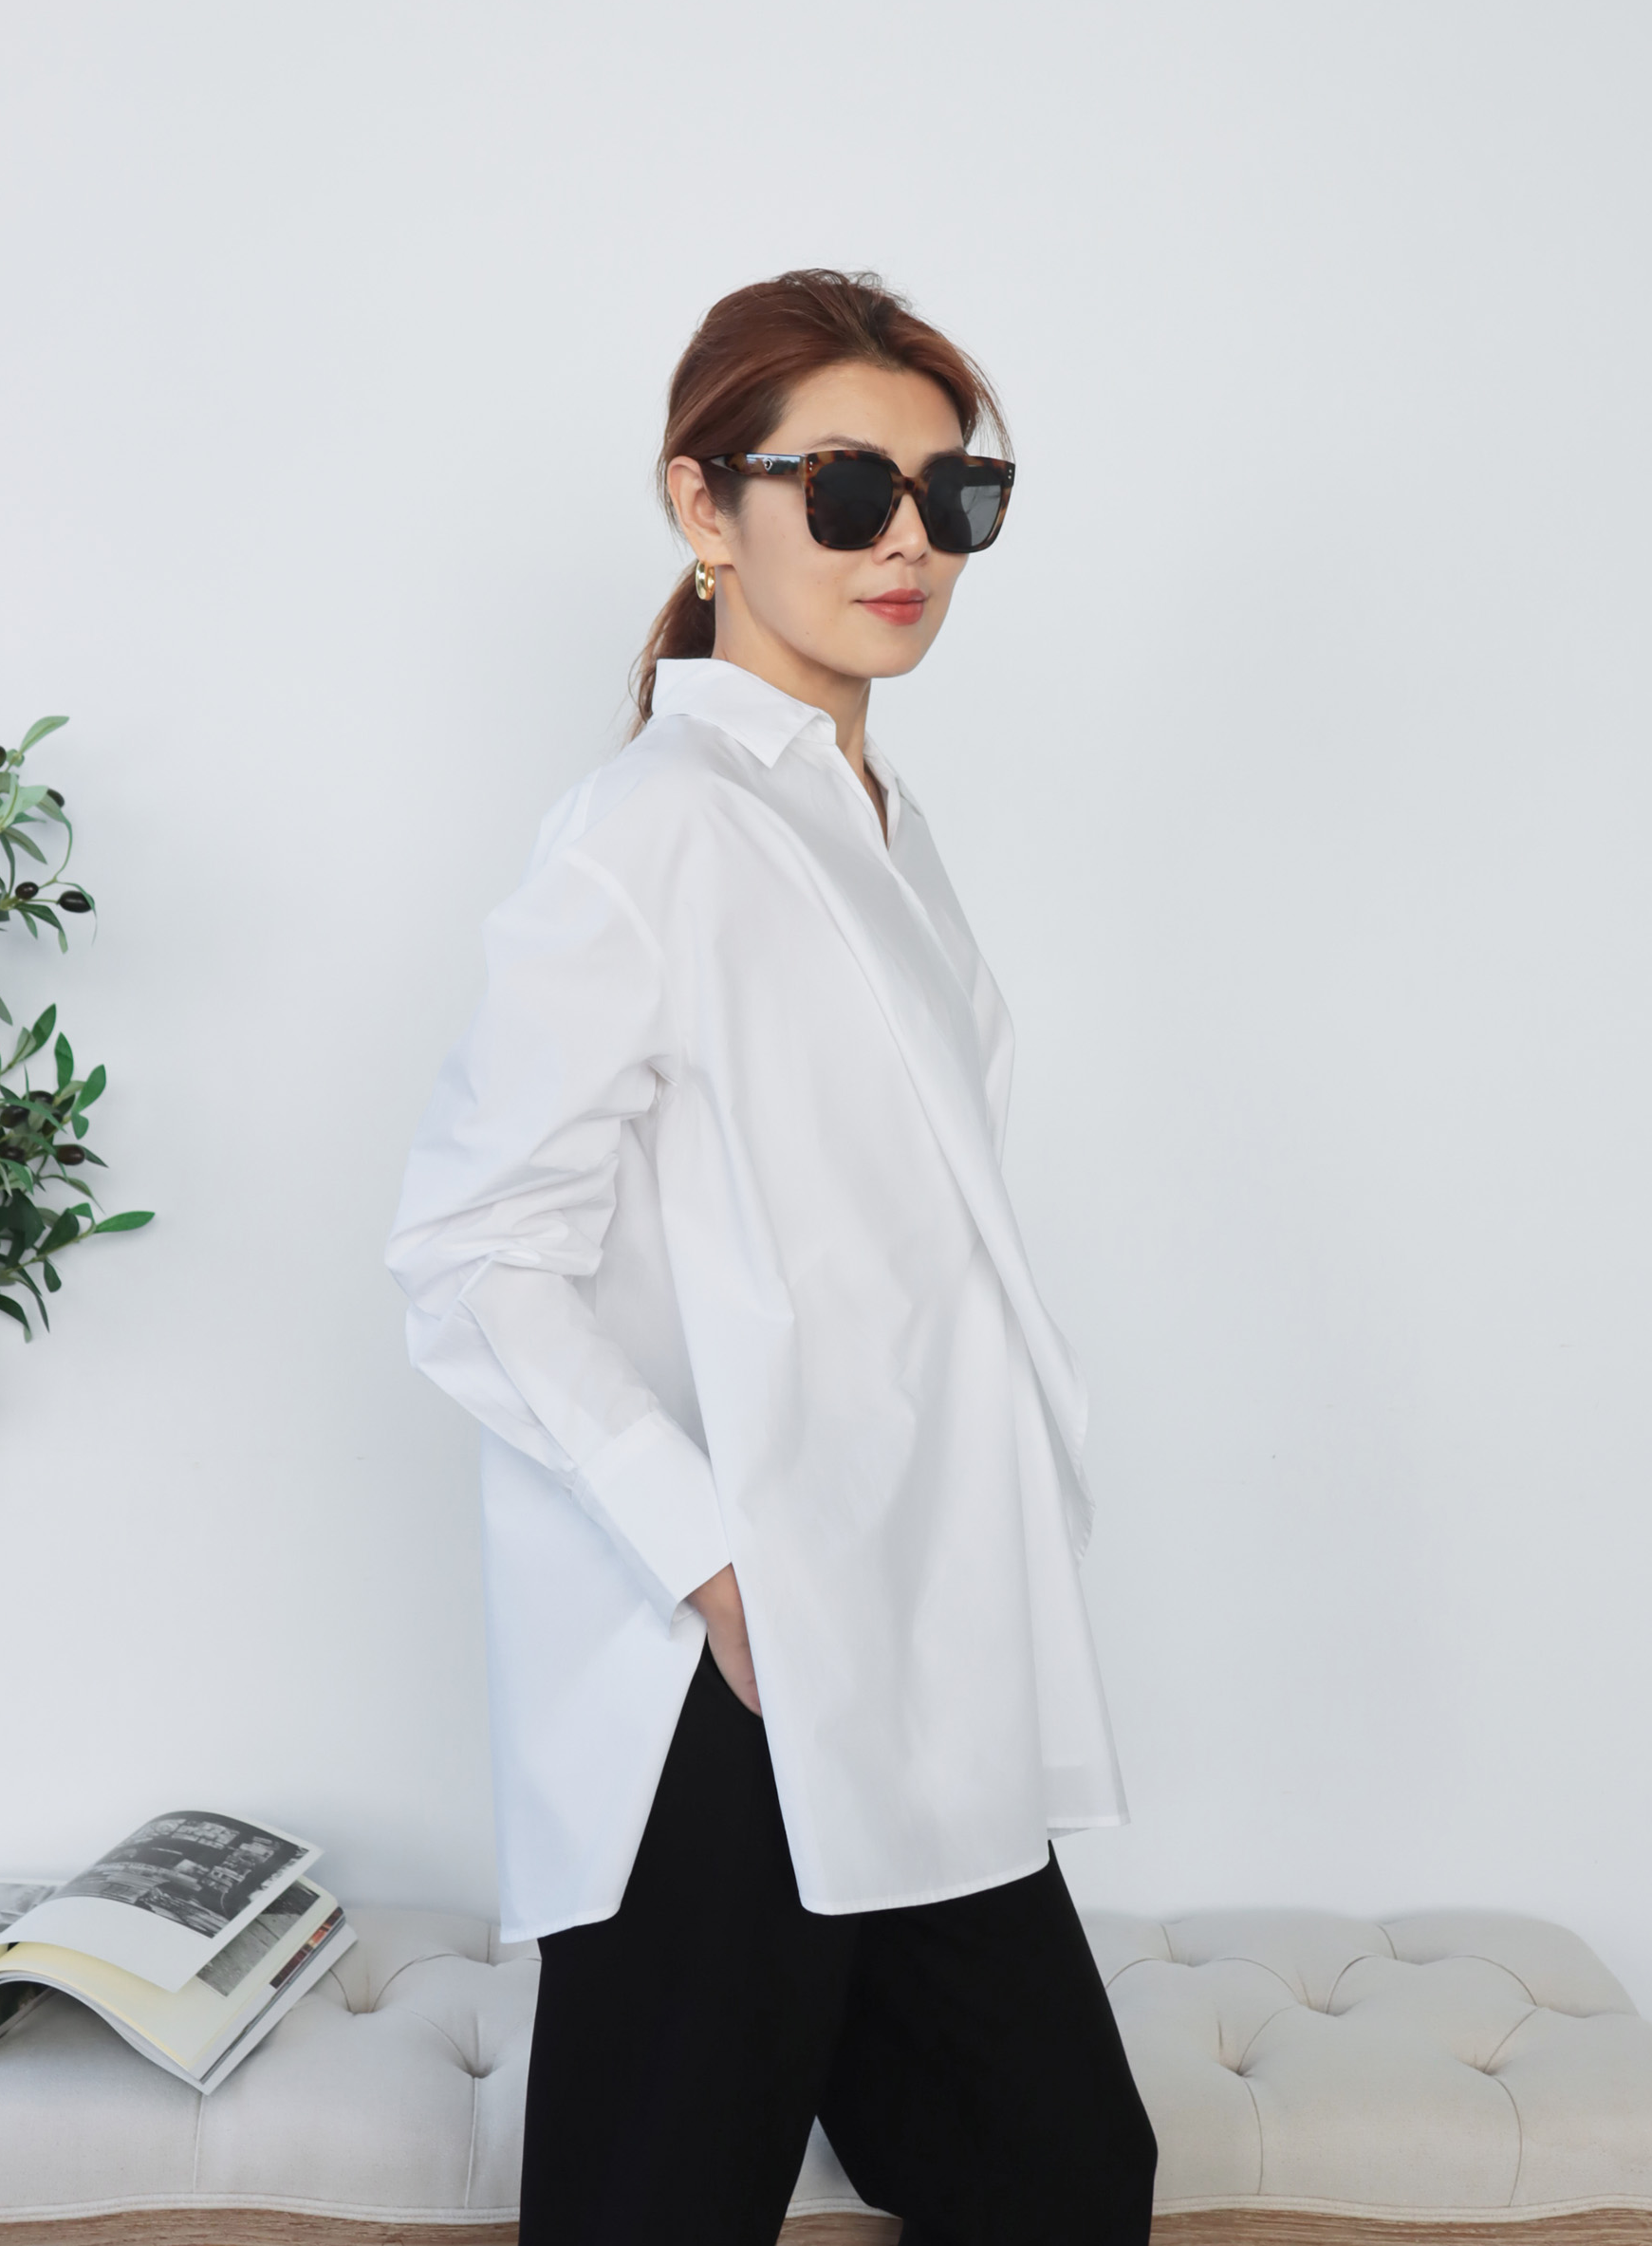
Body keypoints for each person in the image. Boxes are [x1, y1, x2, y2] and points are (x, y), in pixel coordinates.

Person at [385, 269, 1157, 2246]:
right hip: (719, 1688)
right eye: (847, 489)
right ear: (702, 505)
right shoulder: (652, 827)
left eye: (952, 497)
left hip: (912, 1636)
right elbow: (472, 1249)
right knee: (659, 2205)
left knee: (1064, 2172)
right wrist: (718, 1565)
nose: (909, 543)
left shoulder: (876, 822)